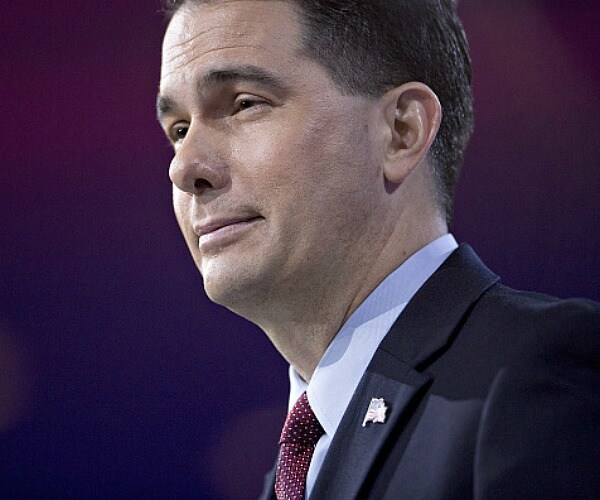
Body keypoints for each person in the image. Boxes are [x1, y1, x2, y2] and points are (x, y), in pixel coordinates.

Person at [156, 0, 599, 498]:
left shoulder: (535, 374)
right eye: (179, 131)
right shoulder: (292, 472)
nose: (183, 167)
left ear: (401, 132)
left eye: (244, 104)